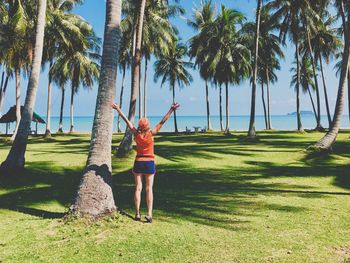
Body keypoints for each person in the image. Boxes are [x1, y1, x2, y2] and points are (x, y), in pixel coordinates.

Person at [112, 102, 180, 223]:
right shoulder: (151, 133)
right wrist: (171, 110)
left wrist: (118, 108)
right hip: (149, 163)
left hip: (138, 162)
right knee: (149, 189)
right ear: (147, 126)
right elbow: (162, 122)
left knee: (138, 188)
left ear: (139, 126)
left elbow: (127, 121)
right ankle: (149, 214)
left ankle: (137, 213)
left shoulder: (136, 134)